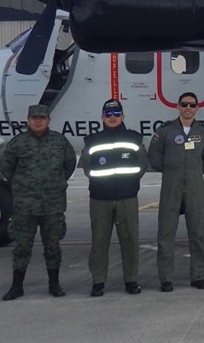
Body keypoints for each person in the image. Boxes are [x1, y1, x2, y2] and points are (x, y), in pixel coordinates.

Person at [0, 104, 77, 301]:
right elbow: (7, 168)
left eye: (42, 117)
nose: (38, 121)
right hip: (25, 206)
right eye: (35, 118)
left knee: (52, 245)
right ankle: (17, 286)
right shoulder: (18, 143)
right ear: (28, 120)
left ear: (49, 120)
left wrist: (56, 183)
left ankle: (54, 284)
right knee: (22, 247)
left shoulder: (60, 142)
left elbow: (69, 165)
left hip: (53, 204)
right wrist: (22, 186)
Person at [148, 92, 204, 292]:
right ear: (177, 107)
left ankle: (198, 276)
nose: (188, 108)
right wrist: (173, 169)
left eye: (192, 105)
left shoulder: (203, 132)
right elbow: (154, 156)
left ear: (197, 108)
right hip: (171, 184)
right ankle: (166, 278)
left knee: (197, 233)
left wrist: (193, 172)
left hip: (195, 185)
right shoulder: (165, 131)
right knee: (166, 233)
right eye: (184, 104)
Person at [80, 99, 148, 297]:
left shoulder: (134, 139)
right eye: (108, 114)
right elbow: (86, 166)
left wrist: (130, 181)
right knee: (99, 241)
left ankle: (131, 280)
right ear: (102, 117)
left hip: (127, 197)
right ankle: (98, 281)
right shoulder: (92, 141)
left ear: (123, 117)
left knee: (130, 240)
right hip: (100, 199)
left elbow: (142, 164)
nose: (112, 118)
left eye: (116, 114)